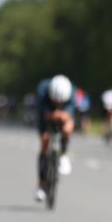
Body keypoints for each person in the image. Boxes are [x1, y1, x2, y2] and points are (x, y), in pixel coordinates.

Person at [34, 74, 75, 203]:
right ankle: (41, 185)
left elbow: (68, 116)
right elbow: (44, 115)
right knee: (45, 141)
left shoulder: (71, 93)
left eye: (61, 101)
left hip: (62, 114)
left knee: (68, 127)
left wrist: (63, 117)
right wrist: (54, 114)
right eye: (56, 101)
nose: (58, 103)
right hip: (46, 116)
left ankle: (63, 154)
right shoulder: (42, 92)